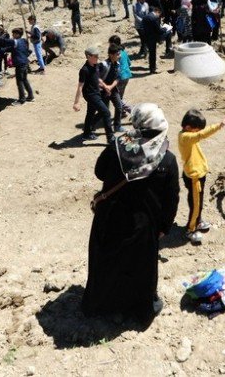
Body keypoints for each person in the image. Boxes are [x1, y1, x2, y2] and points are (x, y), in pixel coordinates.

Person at [82, 103, 179, 324]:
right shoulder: (167, 158)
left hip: (110, 217)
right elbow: (171, 197)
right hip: (143, 225)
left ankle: (102, 305)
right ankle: (138, 310)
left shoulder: (118, 145)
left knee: (107, 263)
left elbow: (99, 172)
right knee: (139, 268)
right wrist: (165, 226)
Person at [178, 109, 225, 245]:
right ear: (189, 127)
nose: (198, 131)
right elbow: (202, 134)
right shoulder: (186, 137)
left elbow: (199, 133)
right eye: (196, 129)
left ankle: (198, 221)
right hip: (194, 177)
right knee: (196, 205)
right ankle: (190, 230)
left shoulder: (189, 134)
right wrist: (220, 125)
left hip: (199, 174)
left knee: (198, 202)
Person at [73, 45, 114, 142]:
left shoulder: (95, 66)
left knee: (91, 113)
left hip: (96, 92)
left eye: (97, 55)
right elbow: (80, 86)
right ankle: (111, 138)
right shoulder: (84, 70)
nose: (97, 58)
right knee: (106, 112)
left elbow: (97, 78)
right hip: (90, 95)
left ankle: (87, 133)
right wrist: (76, 102)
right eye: (95, 56)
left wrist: (105, 86)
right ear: (88, 56)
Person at [9, 27, 35, 103]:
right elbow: (29, 51)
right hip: (24, 63)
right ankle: (30, 96)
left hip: (19, 64)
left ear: (17, 34)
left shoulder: (16, 42)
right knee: (25, 80)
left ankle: (22, 99)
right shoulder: (24, 41)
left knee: (19, 81)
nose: (12, 35)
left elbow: (9, 48)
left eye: (13, 33)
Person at [140, 6, 165, 74]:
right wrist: (165, 29)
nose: (159, 16)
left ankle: (151, 67)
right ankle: (152, 69)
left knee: (150, 53)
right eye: (159, 14)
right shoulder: (155, 18)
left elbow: (142, 27)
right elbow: (158, 30)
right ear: (157, 12)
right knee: (152, 54)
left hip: (146, 37)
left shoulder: (145, 17)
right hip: (152, 38)